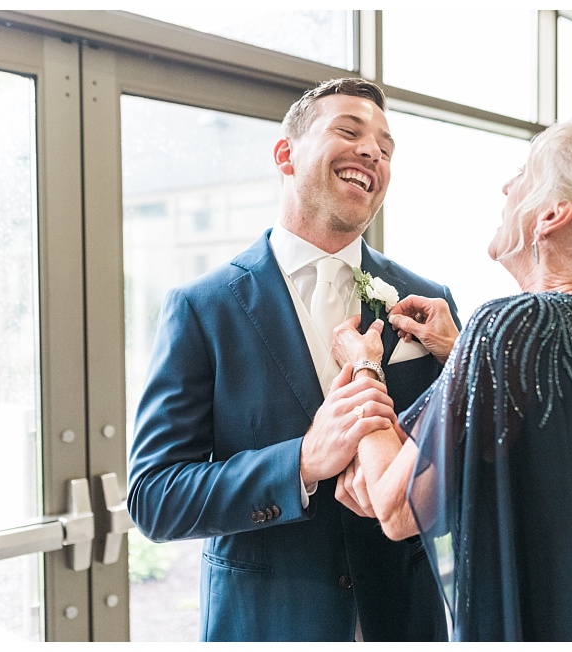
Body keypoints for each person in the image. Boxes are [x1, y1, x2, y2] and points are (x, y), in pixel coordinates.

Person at [331, 104, 572, 641]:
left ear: (553, 215)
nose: (508, 187)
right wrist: (460, 352)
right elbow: (554, 452)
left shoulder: (510, 324)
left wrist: (363, 364)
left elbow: (394, 506)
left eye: (526, 175)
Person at [128, 78, 458, 642]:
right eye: (349, 131)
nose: (371, 151)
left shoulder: (431, 305)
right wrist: (301, 462)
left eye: (385, 146)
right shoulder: (203, 308)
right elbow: (155, 496)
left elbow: (466, 467)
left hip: (404, 622)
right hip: (266, 625)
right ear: (286, 154)